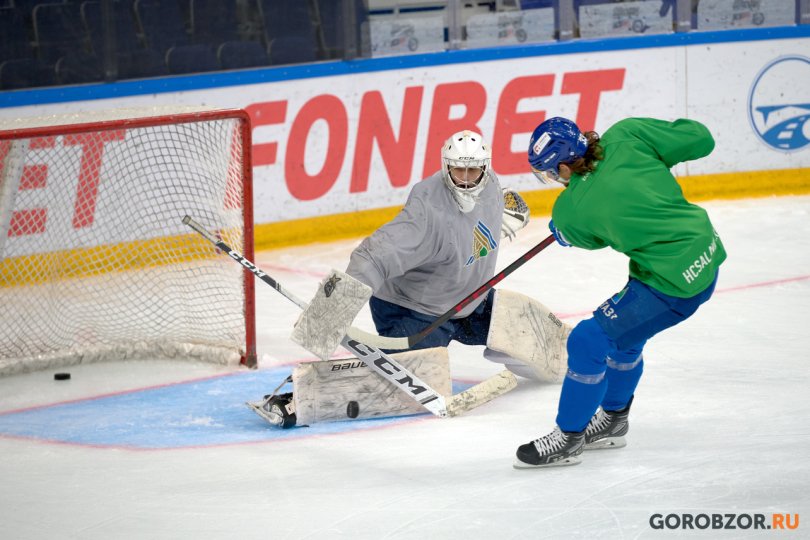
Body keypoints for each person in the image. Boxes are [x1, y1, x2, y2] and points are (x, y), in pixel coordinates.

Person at [514, 116, 727, 468]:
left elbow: (588, 238)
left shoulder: (570, 210)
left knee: (588, 340)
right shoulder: (628, 134)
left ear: (565, 167)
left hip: (673, 285)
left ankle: (568, 438)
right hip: (704, 253)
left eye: (551, 172)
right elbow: (701, 139)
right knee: (624, 338)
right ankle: (614, 420)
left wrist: (563, 230)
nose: (553, 179)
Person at [345, 130, 544, 379]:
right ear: (446, 165)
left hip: (470, 302)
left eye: (473, 170)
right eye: (458, 169)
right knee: (398, 378)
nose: (466, 179)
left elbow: (477, 216)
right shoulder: (427, 212)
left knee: (529, 333)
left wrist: (498, 215)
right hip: (416, 312)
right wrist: (337, 307)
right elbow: (372, 256)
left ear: (485, 166)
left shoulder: (491, 184)